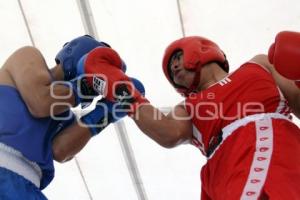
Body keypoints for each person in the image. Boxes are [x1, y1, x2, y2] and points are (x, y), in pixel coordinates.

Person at [77, 31, 300, 199]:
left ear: (201, 48)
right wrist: (123, 90)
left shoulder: (258, 64)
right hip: (223, 170)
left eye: (177, 59)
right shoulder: (188, 106)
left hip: (275, 145)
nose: (174, 69)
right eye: (171, 71)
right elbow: (168, 134)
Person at [0, 35, 144, 199]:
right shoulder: (28, 56)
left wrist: (106, 112)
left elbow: (60, 151)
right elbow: (40, 101)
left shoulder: (67, 116)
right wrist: (86, 85)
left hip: (30, 187)